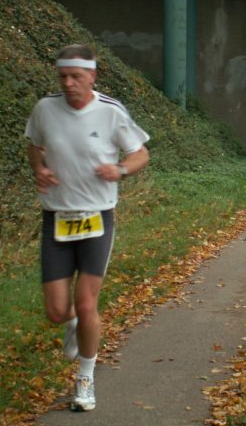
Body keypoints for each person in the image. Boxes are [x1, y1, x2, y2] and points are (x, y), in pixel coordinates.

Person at [24, 44, 150, 412]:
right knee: (57, 311)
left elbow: (141, 152)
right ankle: (73, 323)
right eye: (62, 76)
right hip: (57, 220)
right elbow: (34, 144)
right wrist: (39, 168)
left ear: (92, 75)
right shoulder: (45, 109)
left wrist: (121, 169)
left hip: (97, 218)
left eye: (76, 76)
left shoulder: (110, 112)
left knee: (86, 300)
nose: (68, 83)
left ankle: (86, 378)